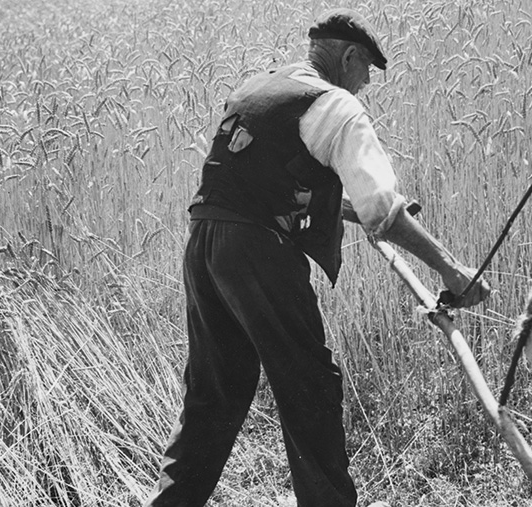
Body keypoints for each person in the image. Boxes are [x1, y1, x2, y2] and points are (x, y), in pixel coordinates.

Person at [144, 8, 491, 507]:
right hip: (258, 253)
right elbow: (383, 210)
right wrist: (452, 270)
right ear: (348, 57)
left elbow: (271, 185)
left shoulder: (259, 88)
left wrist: (349, 212)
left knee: (212, 397)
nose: (366, 83)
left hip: (204, 244)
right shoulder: (337, 105)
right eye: (367, 69)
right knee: (310, 388)